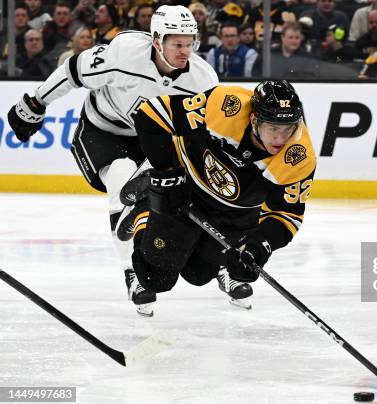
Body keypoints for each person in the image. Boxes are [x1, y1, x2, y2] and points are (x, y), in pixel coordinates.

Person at [6, 5, 219, 317]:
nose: (185, 51)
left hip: (153, 142)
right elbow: (73, 71)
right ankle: (132, 274)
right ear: (157, 41)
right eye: (177, 44)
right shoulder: (124, 54)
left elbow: (207, 132)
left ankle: (218, 261)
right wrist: (36, 102)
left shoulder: (202, 79)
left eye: (190, 43)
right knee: (121, 177)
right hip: (102, 130)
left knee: (166, 196)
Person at [118, 81, 316, 313]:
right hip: (186, 184)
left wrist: (259, 247)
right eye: (273, 128)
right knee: (155, 278)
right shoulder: (225, 105)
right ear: (254, 120)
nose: (281, 138)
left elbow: (287, 216)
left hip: (235, 209)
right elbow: (152, 113)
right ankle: (146, 206)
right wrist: (166, 174)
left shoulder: (299, 157)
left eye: (288, 128)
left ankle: (214, 259)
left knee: (198, 274)